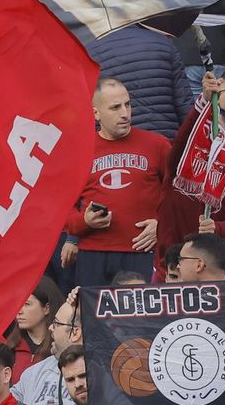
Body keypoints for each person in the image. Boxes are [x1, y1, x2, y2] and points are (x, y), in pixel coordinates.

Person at [64, 77, 168, 288]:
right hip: (93, 254)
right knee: (95, 319)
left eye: (127, 104)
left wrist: (162, 225)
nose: (125, 113)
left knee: (141, 319)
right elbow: (61, 208)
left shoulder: (157, 145)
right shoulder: (77, 151)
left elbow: (179, 194)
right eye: (115, 107)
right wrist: (84, 222)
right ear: (95, 113)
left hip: (142, 252)